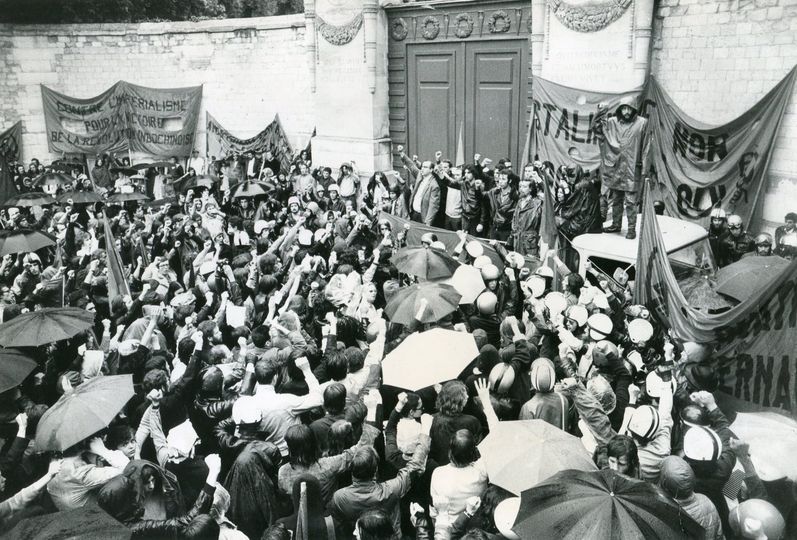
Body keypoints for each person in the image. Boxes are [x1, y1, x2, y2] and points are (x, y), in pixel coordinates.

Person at [597, 98, 649, 240]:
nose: (626, 112)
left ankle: (631, 229)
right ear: (620, 109)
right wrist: (601, 111)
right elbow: (597, 128)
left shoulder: (642, 123)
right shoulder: (612, 122)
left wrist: (644, 168)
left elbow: (646, 146)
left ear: (634, 109)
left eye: (629, 108)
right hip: (616, 167)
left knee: (631, 201)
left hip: (632, 167)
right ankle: (616, 224)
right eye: (623, 108)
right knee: (617, 198)